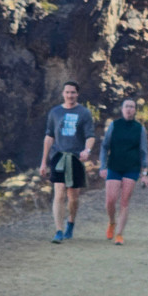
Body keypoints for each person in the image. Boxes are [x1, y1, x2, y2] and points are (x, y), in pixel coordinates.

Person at [39, 81, 96, 244]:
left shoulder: (84, 113)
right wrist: (43, 162)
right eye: (67, 92)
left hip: (76, 158)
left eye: (73, 92)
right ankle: (58, 230)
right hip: (58, 157)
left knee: (73, 197)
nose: (70, 95)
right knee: (59, 192)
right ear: (63, 94)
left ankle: (70, 222)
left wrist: (87, 150)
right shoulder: (55, 112)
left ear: (77, 94)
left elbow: (90, 136)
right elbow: (49, 137)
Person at [98, 97, 148, 245]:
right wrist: (103, 166)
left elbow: (144, 151)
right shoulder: (114, 126)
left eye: (132, 107)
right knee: (110, 201)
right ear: (122, 109)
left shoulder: (140, 129)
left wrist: (145, 173)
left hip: (131, 168)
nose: (129, 109)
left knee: (124, 202)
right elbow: (104, 147)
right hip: (114, 167)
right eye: (126, 106)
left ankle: (119, 234)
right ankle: (112, 222)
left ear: (135, 110)